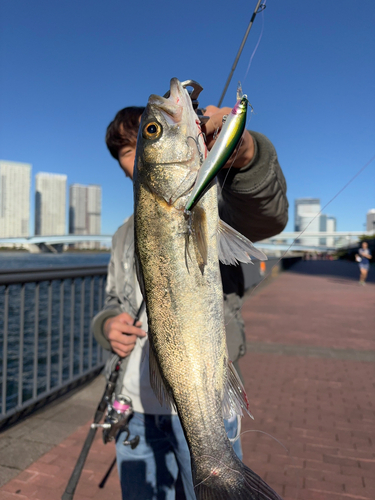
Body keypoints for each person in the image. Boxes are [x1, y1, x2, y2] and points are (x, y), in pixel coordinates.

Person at [92, 95, 289, 500]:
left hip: (205, 402)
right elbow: (114, 297)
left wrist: (245, 153)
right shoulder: (120, 235)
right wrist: (107, 323)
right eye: (128, 150)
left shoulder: (214, 201)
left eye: (145, 137)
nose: (132, 158)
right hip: (133, 404)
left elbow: (269, 214)